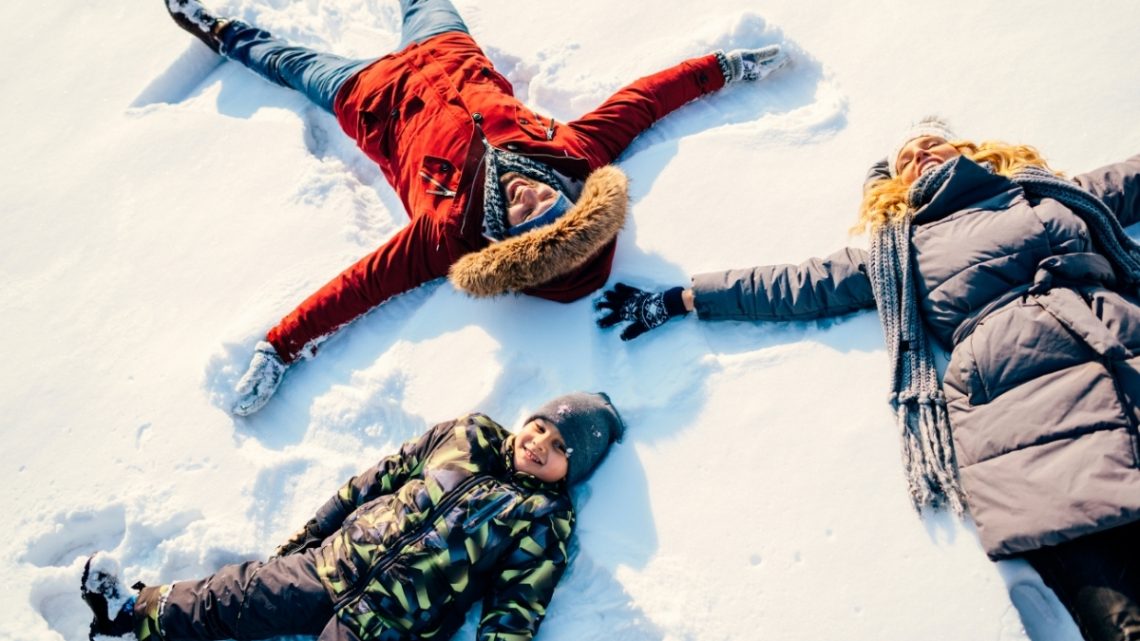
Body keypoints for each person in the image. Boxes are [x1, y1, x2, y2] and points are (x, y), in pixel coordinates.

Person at [596, 117, 1140, 640]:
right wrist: (685, 298)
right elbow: (802, 285)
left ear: (969, 150)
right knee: (1117, 617)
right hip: (1015, 415)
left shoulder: (1047, 193)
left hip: (1116, 349)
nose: (919, 156)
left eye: (931, 144)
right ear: (896, 184)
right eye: (905, 158)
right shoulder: (898, 250)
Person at [161, 0, 790, 416]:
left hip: (370, 98)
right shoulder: (574, 153)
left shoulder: (446, 239)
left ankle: (220, 32)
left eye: (525, 216)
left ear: (506, 245)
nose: (528, 195)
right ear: (570, 196)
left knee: (281, 62)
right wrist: (723, 67)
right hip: (447, 50)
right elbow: (647, 99)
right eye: (548, 200)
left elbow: (358, 287)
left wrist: (280, 346)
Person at [79, 392, 625, 641]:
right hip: (333, 562)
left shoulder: (542, 521)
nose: (538, 444)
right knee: (235, 594)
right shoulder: (469, 433)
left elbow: (514, 609)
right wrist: (315, 531)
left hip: (388, 622)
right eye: (540, 428)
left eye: (557, 449)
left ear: (568, 473)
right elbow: (379, 478)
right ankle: (131, 615)